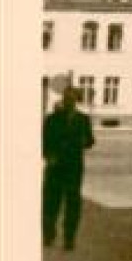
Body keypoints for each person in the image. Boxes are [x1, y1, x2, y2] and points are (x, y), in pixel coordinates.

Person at [42, 86, 95, 250]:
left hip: (74, 167)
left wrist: (85, 141)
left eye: (72, 100)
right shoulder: (52, 119)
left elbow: (90, 141)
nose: (70, 102)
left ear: (75, 101)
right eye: (67, 99)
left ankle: (69, 237)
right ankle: (49, 234)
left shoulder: (83, 119)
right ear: (63, 100)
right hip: (55, 166)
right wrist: (49, 156)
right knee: (51, 202)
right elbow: (43, 142)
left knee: (73, 203)